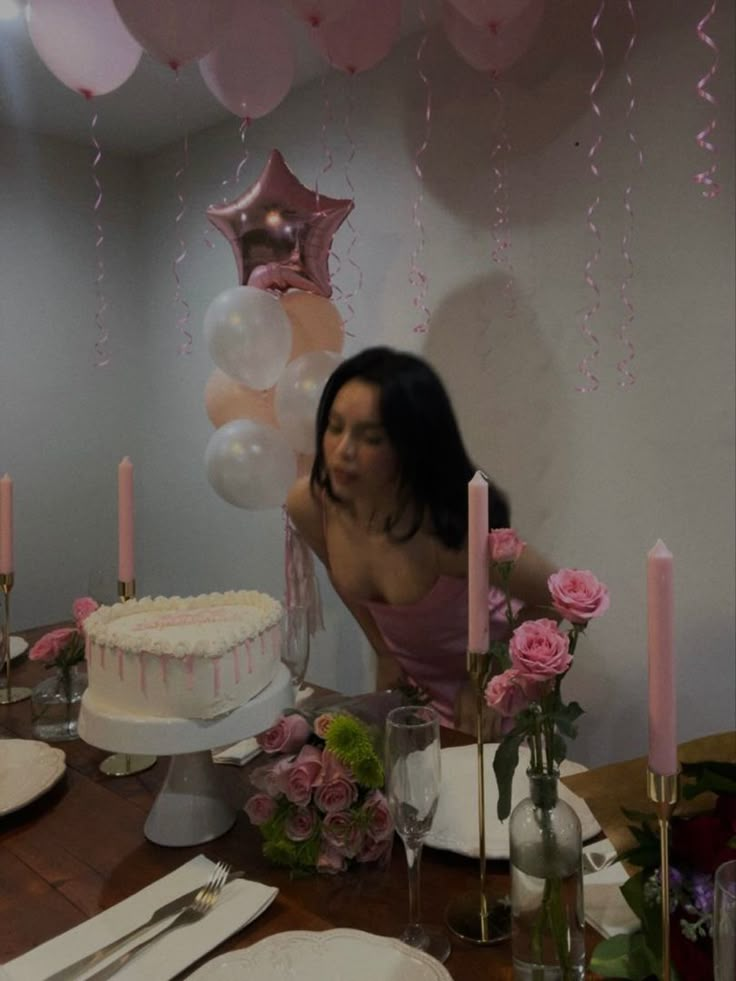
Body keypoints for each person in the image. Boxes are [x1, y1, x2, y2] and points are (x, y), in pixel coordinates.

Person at [286, 346, 555, 733]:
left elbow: (553, 597)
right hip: (408, 697)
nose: (342, 451)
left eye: (371, 437)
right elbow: (337, 570)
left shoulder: (448, 532)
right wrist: (383, 651)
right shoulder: (310, 506)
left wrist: (496, 673)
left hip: (488, 704)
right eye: (334, 426)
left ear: (411, 445)